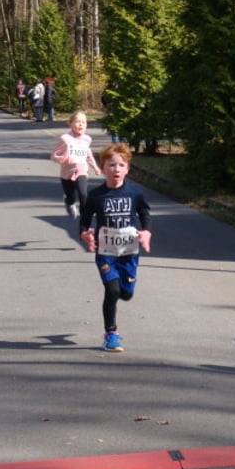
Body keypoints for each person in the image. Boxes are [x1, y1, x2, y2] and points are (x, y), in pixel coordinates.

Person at [79, 143, 152, 352]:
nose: (116, 169)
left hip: (129, 253)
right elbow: (84, 220)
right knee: (112, 290)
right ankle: (111, 334)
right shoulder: (96, 196)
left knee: (126, 294)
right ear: (102, 168)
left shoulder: (135, 193)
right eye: (111, 165)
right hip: (106, 253)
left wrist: (146, 232)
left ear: (127, 169)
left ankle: (120, 293)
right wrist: (85, 234)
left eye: (121, 165)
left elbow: (145, 213)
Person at [51, 110, 101, 218]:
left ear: (86, 125)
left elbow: (88, 154)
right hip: (66, 173)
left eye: (83, 122)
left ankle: (84, 217)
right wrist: (63, 158)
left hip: (81, 170)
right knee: (70, 195)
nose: (80, 124)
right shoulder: (65, 139)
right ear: (70, 124)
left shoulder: (87, 139)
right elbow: (54, 156)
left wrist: (95, 167)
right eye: (78, 121)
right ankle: (69, 202)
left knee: (83, 194)